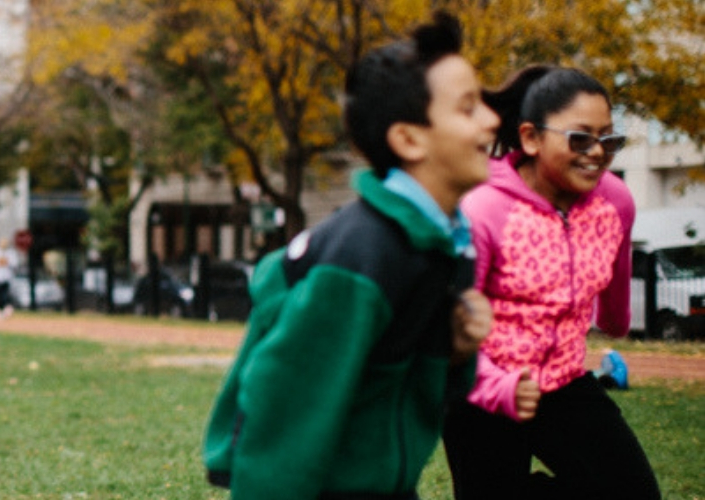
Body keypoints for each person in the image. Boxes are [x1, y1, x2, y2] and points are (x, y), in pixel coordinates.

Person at [202, 13, 495, 498]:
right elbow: (283, 415)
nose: (491, 119)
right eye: (468, 108)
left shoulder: (441, 242)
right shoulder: (362, 259)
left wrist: (454, 353)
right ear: (408, 138)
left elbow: (397, 390)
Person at [443, 65, 660, 499]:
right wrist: (497, 385)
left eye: (609, 140)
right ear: (531, 138)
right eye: (580, 138)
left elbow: (616, 311)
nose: (597, 153)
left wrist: (616, 320)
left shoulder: (613, 202)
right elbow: (448, 329)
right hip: (480, 388)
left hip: (563, 384)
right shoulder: (483, 209)